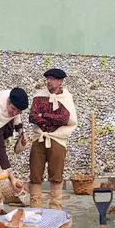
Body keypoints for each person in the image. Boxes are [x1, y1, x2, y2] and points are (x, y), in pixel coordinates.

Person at [28, 68, 78, 210]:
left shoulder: (66, 98)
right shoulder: (39, 97)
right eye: (48, 79)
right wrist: (50, 118)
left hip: (57, 139)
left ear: (60, 81)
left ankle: (55, 209)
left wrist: (44, 115)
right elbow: (32, 116)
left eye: (52, 79)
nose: (49, 81)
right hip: (39, 138)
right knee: (35, 173)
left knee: (56, 174)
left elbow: (65, 119)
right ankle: (35, 208)